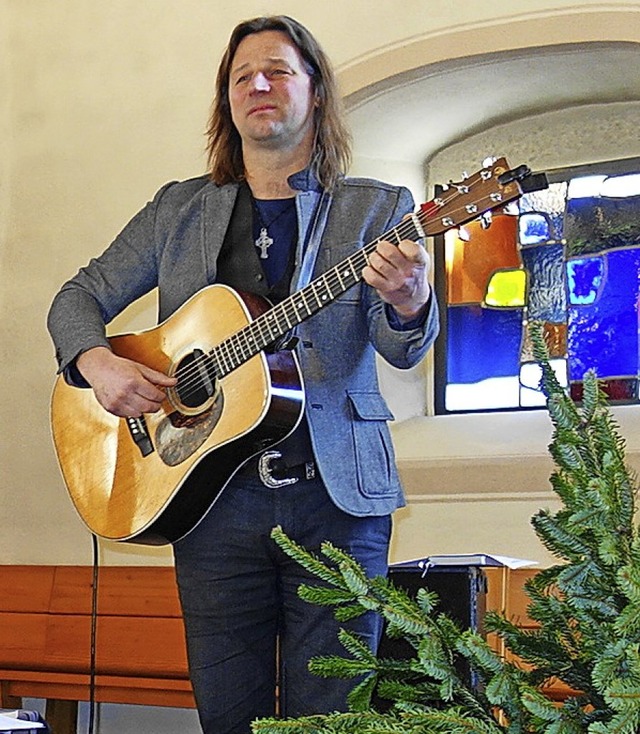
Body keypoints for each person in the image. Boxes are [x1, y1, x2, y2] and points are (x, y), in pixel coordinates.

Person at [47, 15, 439, 734]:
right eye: (241, 76)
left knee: (336, 718)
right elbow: (76, 299)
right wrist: (97, 364)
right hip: (210, 506)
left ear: (316, 92)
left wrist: (410, 304)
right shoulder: (178, 210)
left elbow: (402, 348)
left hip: (338, 500)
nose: (258, 85)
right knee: (230, 718)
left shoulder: (377, 210)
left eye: (279, 70)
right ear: (226, 102)